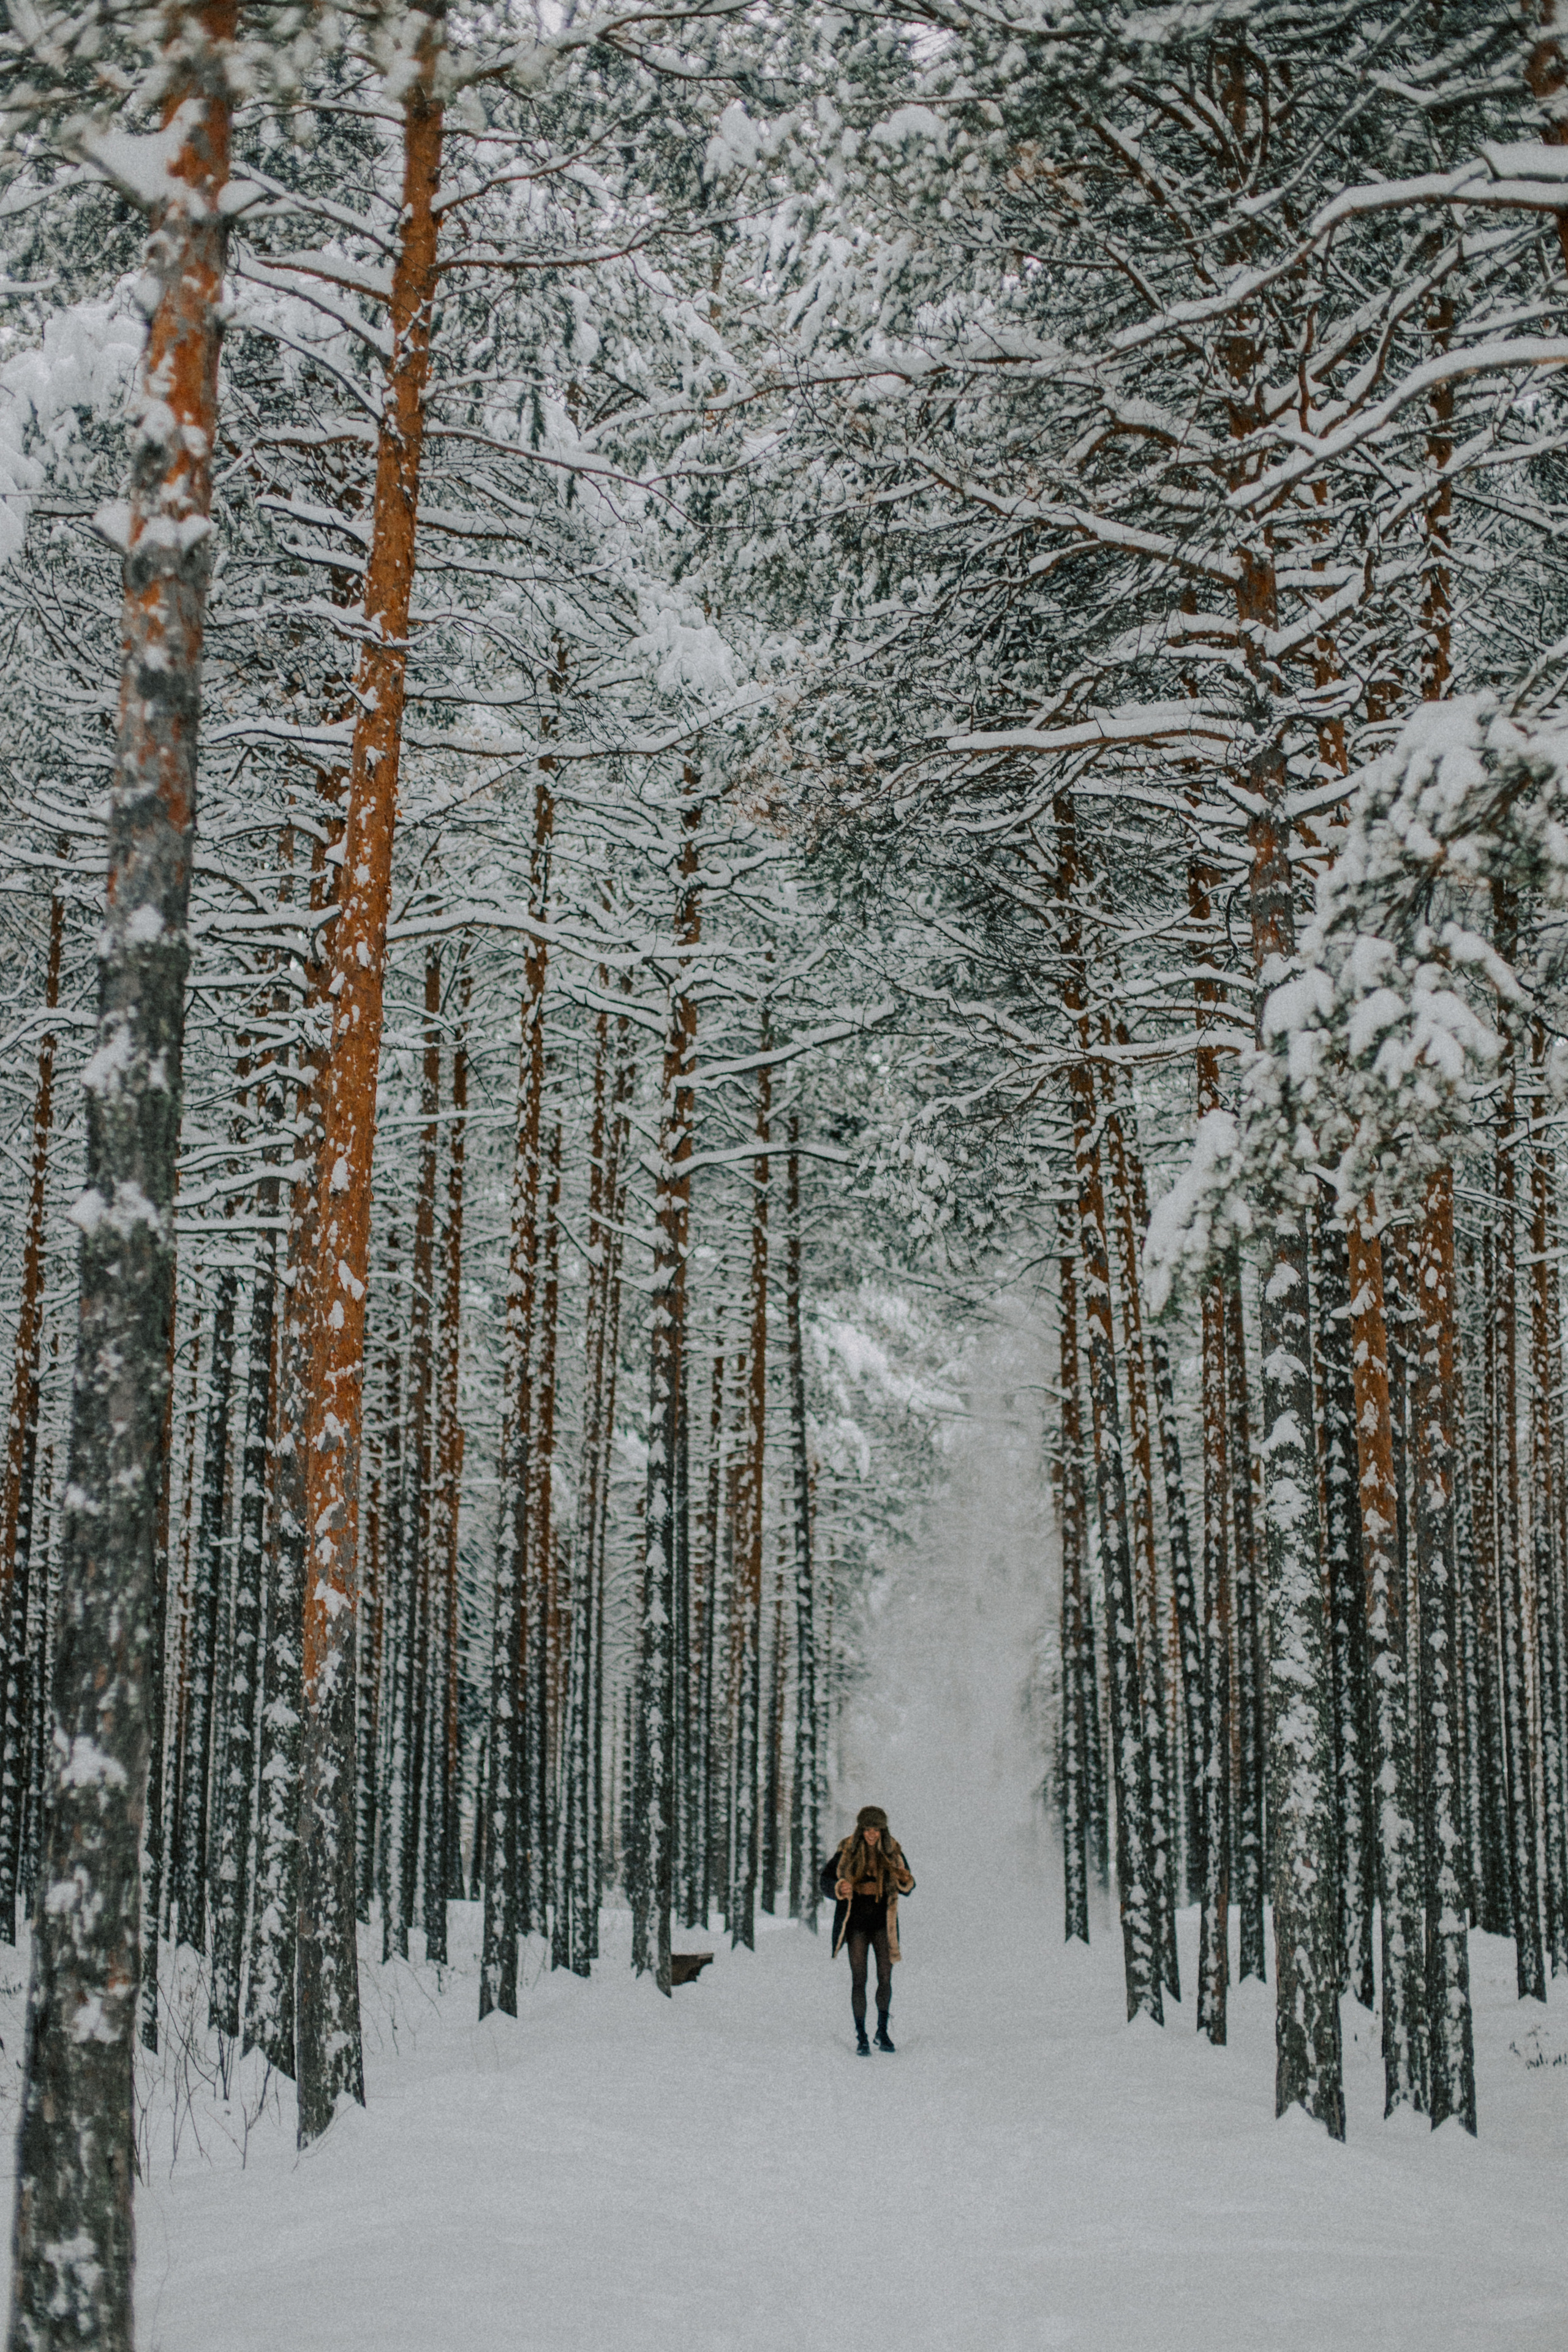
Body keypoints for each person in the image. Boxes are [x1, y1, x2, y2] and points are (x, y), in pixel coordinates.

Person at [819, 1805, 914, 2055]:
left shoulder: (893, 1851)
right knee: (859, 1979)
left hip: (883, 1923)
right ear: (861, 1830)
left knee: (885, 1977)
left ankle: (882, 2031)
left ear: (883, 1830)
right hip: (856, 1923)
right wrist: (839, 1887)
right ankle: (861, 2034)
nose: (872, 1834)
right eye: (868, 1829)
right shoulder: (847, 1851)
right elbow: (825, 1880)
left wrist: (905, 1879)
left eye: (877, 1830)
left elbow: (908, 1882)